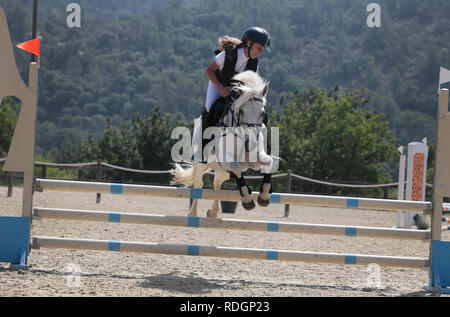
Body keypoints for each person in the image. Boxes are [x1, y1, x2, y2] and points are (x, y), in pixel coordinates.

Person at [199, 27, 271, 161]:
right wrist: (220, 88)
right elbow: (209, 71)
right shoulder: (229, 54)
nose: (260, 53)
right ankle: (202, 151)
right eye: (259, 48)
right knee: (210, 108)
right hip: (218, 84)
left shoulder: (254, 62)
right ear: (249, 43)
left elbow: (249, 85)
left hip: (236, 89)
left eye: (261, 50)